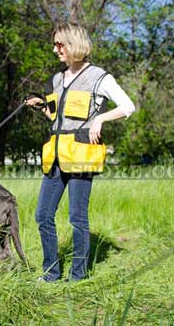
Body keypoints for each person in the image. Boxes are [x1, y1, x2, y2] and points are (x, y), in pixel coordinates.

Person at [26, 23, 135, 282]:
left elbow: (128, 106)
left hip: (81, 155)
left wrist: (101, 120)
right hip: (55, 155)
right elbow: (57, 118)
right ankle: (51, 274)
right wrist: (42, 107)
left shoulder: (99, 77)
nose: (55, 49)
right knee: (42, 215)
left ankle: (78, 276)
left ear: (74, 43)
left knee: (77, 217)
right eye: (55, 44)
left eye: (59, 44)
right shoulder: (57, 79)